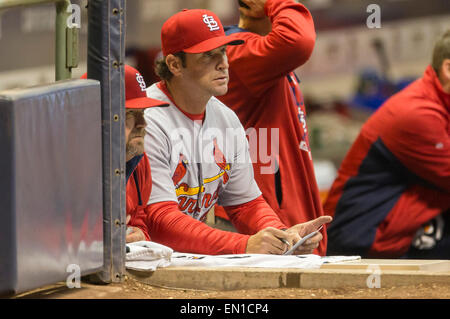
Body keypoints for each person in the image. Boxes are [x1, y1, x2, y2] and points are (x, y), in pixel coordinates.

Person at [141, 8, 331, 255]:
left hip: (180, 258)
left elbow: (246, 204)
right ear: (175, 64)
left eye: (223, 51)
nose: (223, 63)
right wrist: (244, 244)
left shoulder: (226, 118)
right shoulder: (148, 120)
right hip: (138, 264)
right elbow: (161, 222)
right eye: (208, 55)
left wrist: (283, 236)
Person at [213, 0, 328, 255]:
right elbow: (299, 40)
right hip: (255, 221)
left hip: (275, 216)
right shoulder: (237, 52)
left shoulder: (263, 55)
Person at [323, 30, 450, 259]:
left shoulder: (439, 102)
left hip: (398, 224)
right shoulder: (418, 113)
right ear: (448, 70)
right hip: (362, 237)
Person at [82, 65, 169, 243]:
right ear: (96, 118)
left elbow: (139, 219)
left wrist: (139, 234)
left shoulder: (138, 159)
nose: (142, 124)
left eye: (143, 113)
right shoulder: (70, 171)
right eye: (130, 114)